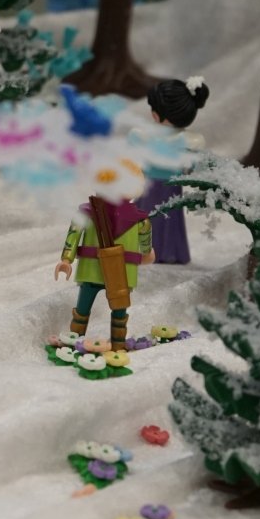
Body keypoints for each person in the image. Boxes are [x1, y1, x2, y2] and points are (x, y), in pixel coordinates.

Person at [54, 193, 154, 351]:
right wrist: (66, 260)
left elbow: (73, 234)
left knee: (88, 309)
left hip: (93, 269)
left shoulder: (86, 214)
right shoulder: (141, 221)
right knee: (113, 309)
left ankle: (76, 341)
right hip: (121, 272)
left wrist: (67, 259)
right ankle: (115, 344)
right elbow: (146, 248)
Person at [138, 76, 209, 264]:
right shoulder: (166, 137)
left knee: (160, 217)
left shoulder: (185, 140)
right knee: (154, 217)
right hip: (153, 184)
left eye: (155, 109)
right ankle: (159, 251)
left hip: (163, 185)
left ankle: (158, 252)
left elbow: (191, 166)